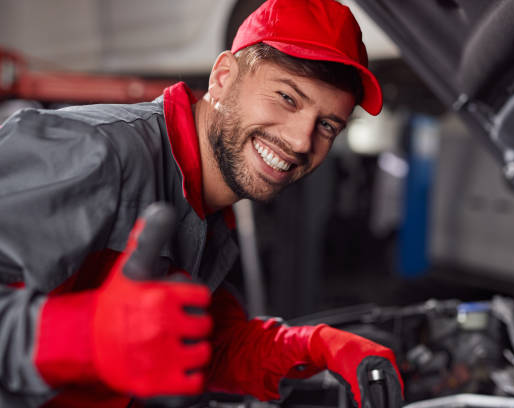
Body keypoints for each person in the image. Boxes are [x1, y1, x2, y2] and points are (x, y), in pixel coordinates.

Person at [0, 0, 404, 407]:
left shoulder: (205, 209)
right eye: (286, 97)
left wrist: (312, 348)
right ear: (223, 77)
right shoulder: (92, 151)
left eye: (327, 125)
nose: (302, 141)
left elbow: (206, 348)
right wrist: (84, 336)